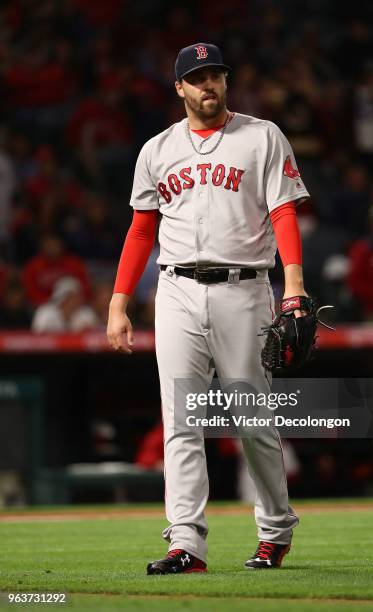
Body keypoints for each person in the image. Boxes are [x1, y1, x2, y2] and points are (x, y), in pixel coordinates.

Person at [107, 43, 310, 574]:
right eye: (197, 78)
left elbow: (284, 212)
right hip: (174, 291)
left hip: (245, 289)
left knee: (252, 419)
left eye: (215, 74)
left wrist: (294, 286)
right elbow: (140, 230)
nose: (208, 85)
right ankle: (186, 544)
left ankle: (275, 529)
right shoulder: (156, 149)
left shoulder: (262, 136)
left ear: (225, 80)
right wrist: (118, 302)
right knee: (180, 421)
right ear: (179, 88)